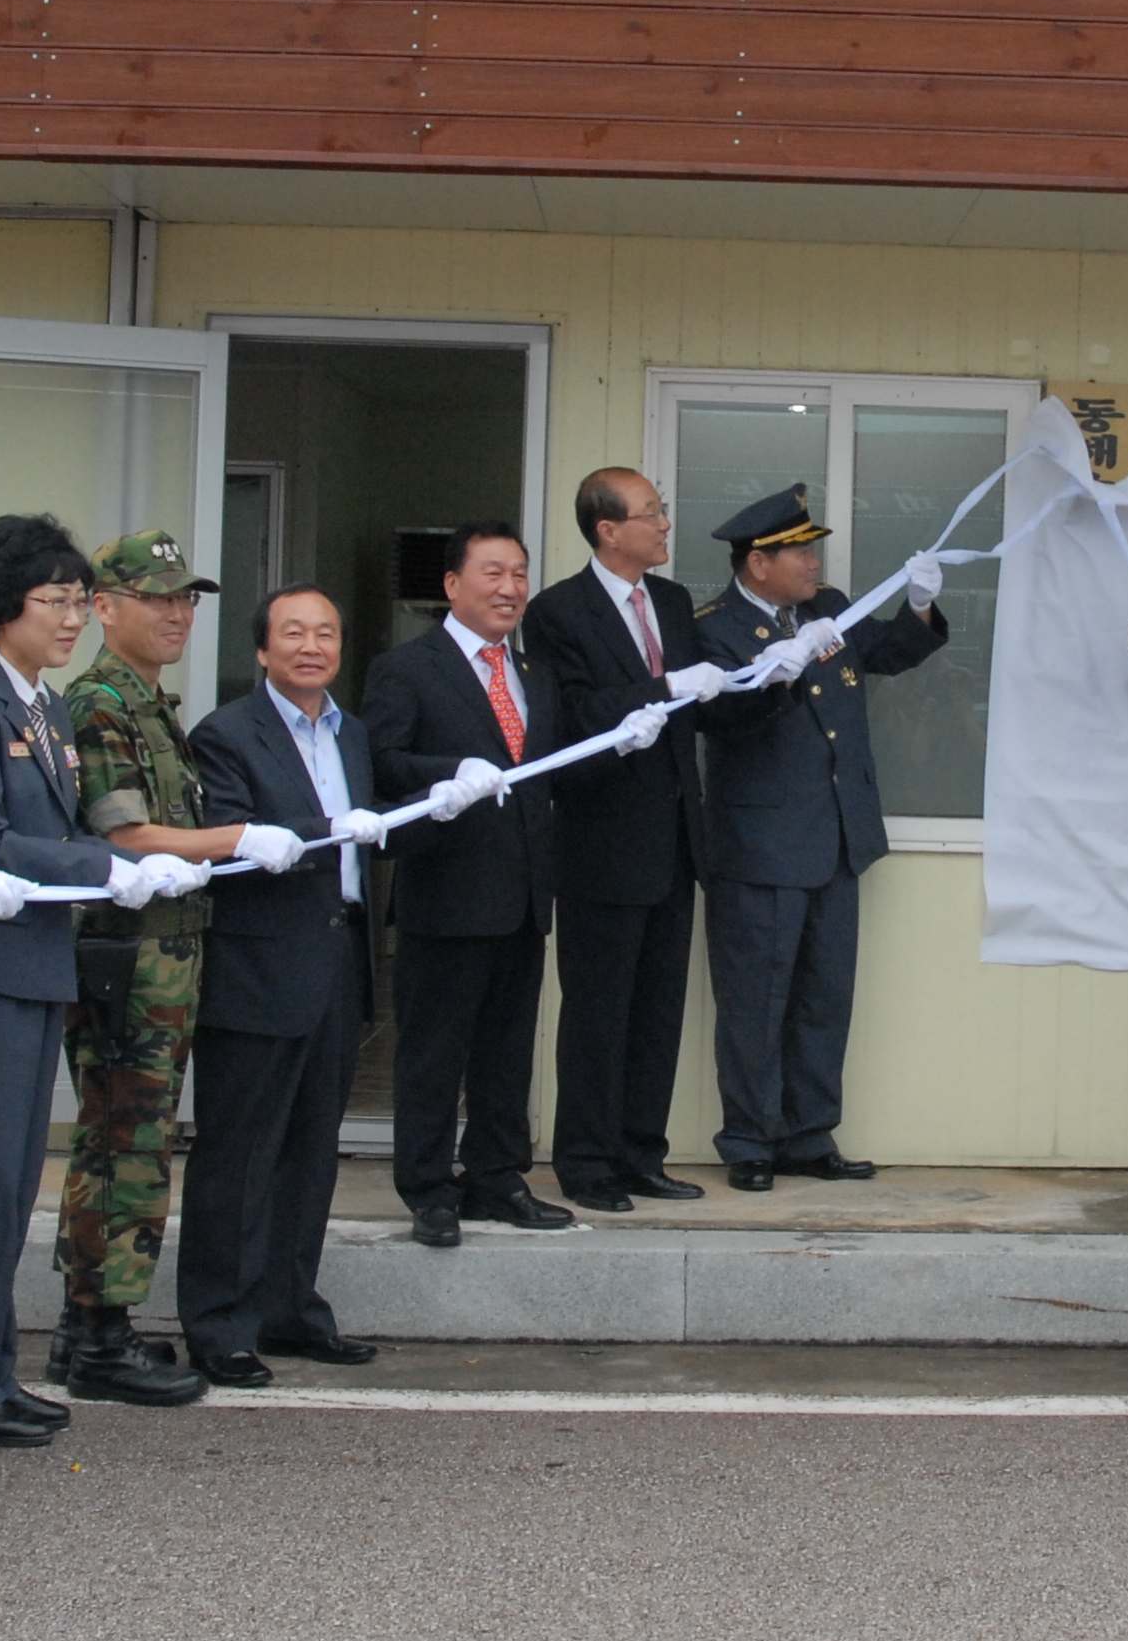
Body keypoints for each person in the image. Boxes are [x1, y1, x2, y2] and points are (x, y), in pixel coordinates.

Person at [0, 514, 195, 1448]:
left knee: (9, 1188)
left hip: (37, 965)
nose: (74, 618)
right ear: (5, 606)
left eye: (79, 601)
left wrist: (103, 861)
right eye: (57, 601)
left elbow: (60, 827)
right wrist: (106, 866)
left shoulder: (41, 706)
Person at [686, 484, 946, 1188]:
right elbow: (724, 720)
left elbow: (887, 652)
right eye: (799, 552)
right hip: (761, 846)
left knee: (824, 997)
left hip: (836, 837)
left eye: (811, 549)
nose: (813, 563)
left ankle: (809, 1134)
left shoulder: (827, 608)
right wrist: (779, 671)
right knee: (756, 1002)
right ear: (757, 562)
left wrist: (920, 605)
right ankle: (749, 1140)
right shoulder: (713, 627)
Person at [177, 584, 382, 1386]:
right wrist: (325, 831)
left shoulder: (351, 733)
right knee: (239, 1153)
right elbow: (229, 837)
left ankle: (290, 1309)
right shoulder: (225, 733)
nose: (311, 646)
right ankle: (220, 1325)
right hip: (257, 970)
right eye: (293, 633)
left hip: (336, 963)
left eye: (325, 633)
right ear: (262, 649)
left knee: (311, 1150)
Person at [46, 531, 232, 1410]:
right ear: (104, 608)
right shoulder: (100, 702)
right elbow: (125, 833)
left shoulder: (151, 703)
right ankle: (99, 1334)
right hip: (129, 953)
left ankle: (88, 1325)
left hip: (166, 950)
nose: (176, 613)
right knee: (125, 1140)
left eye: (184, 598)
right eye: (156, 597)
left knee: (131, 1136)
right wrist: (239, 841)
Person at [366, 520, 576, 1247]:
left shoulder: (535, 672)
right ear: (453, 584)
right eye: (493, 572)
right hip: (446, 894)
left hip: (524, 897)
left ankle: (496, 1177)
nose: (510, 588)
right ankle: (428, 1188)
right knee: (434, 1053)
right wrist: (448, 773)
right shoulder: (407, 668)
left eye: (519, 573)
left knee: (507, 1052)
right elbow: (382, 762)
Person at [520, 468, 726, 1211]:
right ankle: (585, 1162)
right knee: (598, 1013)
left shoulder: (669, 601)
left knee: (657, 1013)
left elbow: (700, 706)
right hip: (601, 847)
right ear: (608, 530)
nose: (665, 524)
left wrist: (765, 677)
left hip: (674, 842)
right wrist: (662, 690)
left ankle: (642, 1154)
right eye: (651, 513)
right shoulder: (557, 612)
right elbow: (572, 716)